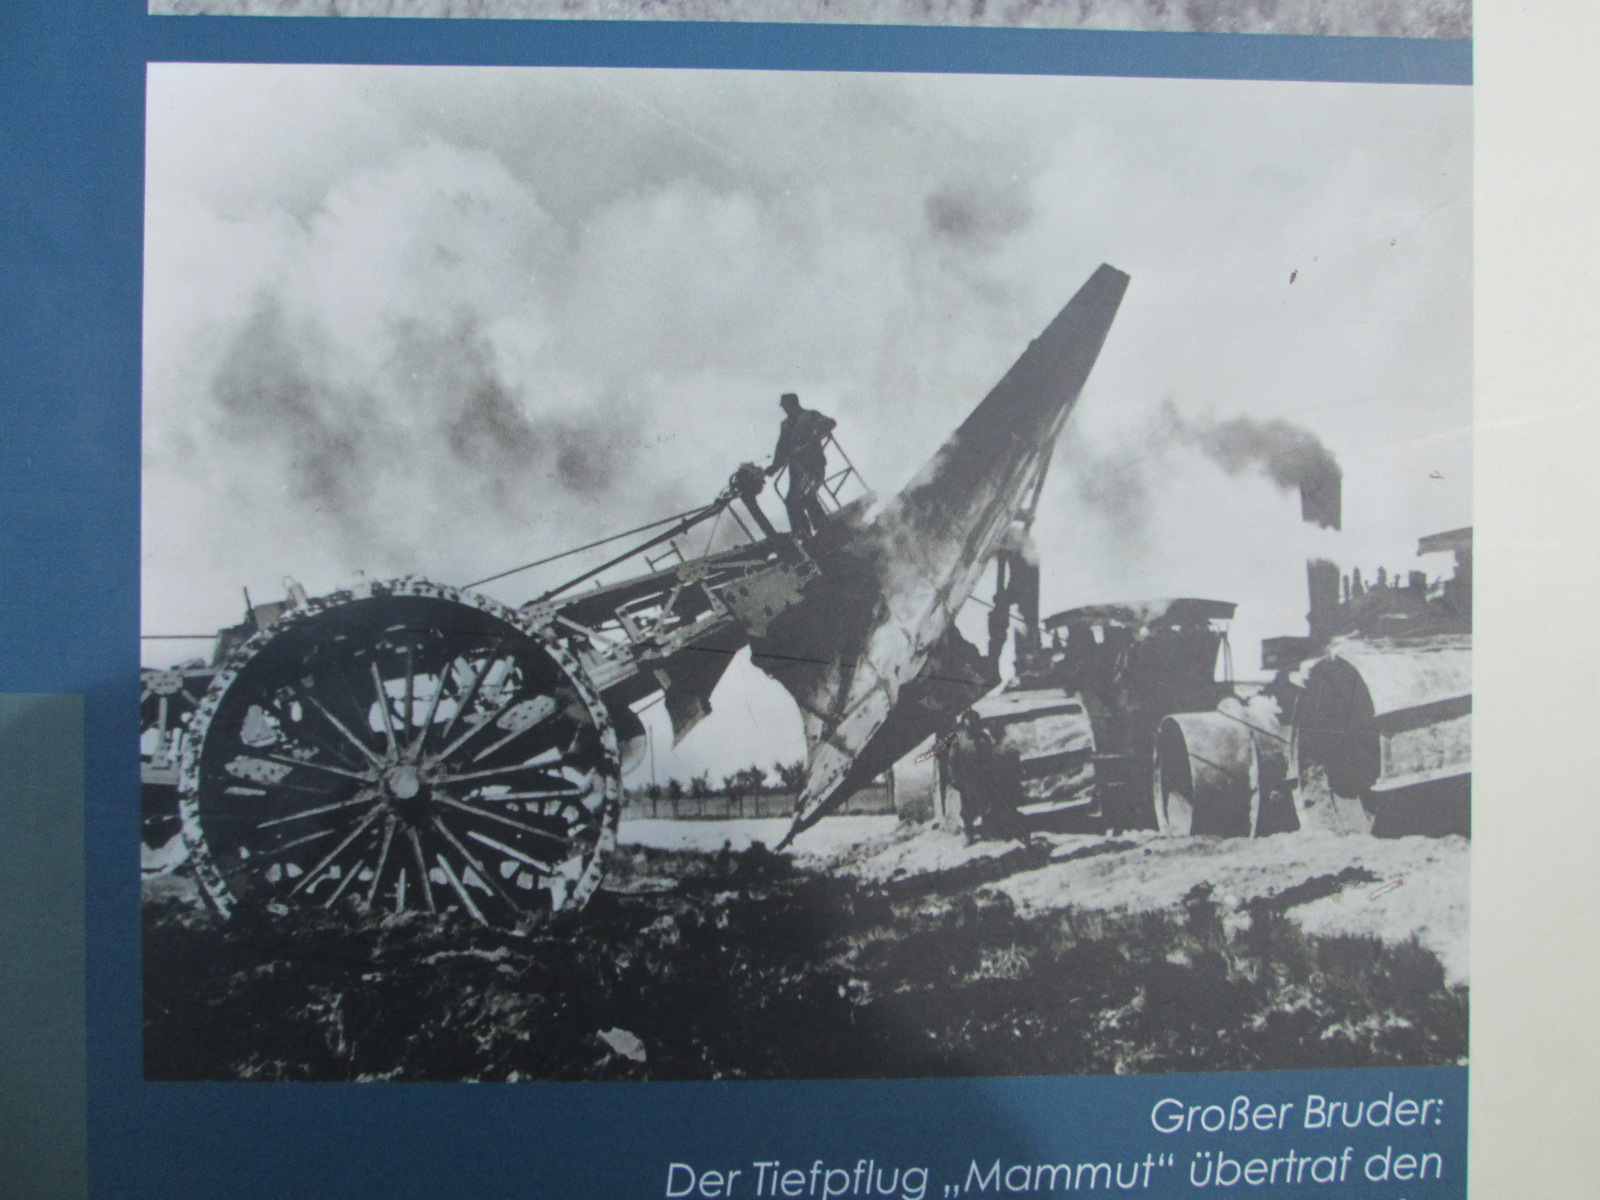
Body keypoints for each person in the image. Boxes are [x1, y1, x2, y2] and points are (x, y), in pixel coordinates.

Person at [766, 393, 836, 540]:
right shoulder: (785, 425)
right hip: (797, 469)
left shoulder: (811, 416)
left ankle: (823, 527)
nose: (786, 410)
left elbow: (830, 423)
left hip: (814, 465)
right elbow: (782, 448)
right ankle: (803, 533)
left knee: (806, 495)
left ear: (795, 404)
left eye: (787, 406)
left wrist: (816, 434)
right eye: (784, 407)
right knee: (791, 500)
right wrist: (774, 467)